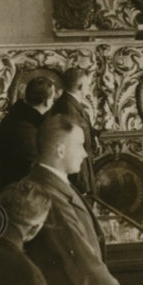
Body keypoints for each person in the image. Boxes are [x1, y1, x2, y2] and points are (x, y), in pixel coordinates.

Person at [24, 114, 134, 285]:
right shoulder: (49, 196)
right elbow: (83, 261)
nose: (85, 153)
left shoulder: (45, 183)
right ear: (60, 150)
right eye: (80, 145)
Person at [0, 76, 56, 190]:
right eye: (53, 98)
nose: (53, 102)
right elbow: (33, 168)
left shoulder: (16, 115)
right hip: (23, 190)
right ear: (46, 101)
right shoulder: (25, 128)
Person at [49, 66, 98, 196]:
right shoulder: (68, 107)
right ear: (81, 86)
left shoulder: (71, 104)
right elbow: (72, 146)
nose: (89, 88)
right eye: (88, 84)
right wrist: (82, 184)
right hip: (78, 176)